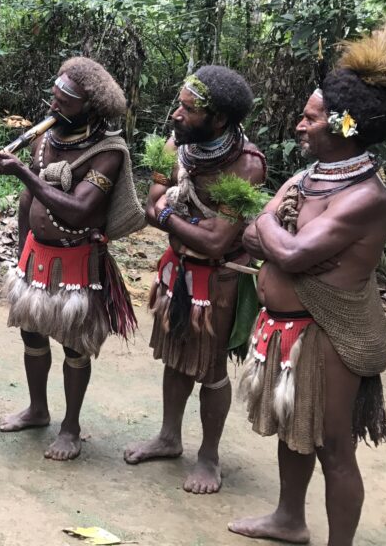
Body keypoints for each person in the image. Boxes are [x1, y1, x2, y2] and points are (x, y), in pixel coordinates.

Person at [228, 27, 386, 546]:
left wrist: (277, 234)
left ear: (344, 126)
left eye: (311, 117)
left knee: (331, 444)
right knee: (291, 424)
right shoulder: (310, 179)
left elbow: (288, 249)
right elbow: (255, 234)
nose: (300, 125)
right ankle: (288, 518)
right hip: (284, 327)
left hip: (328, 335)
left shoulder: (367, 198)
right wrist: (275, 233)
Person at [0, 58, 146, 460]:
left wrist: (19, 170)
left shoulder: (109, 152)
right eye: (53, 97)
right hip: (36, 256)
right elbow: (29, 199)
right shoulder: (45, 137)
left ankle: (70, 427)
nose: (54, 107)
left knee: (75, 344)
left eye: (64, 102)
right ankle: (38, 409)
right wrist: (22, 252)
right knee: (31, 334)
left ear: (90, 107)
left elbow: (77, 209)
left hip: (77, 259)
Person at [124, 66, 266, 493]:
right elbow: (149, 206)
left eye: (187, 109)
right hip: (178, 272)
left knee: (210, 366)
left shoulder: (246, 165)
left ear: (218, 119)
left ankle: (209, 456)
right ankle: (169, 438)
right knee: (174, 356)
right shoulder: (176, 146)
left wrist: (168, 215)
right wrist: (177, 220)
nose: (175, 115)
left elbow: (217, 243)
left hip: (219, 281)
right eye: (179, 105)